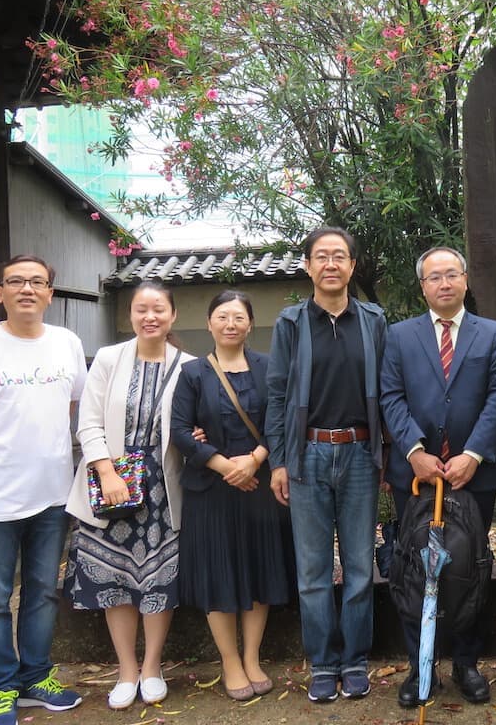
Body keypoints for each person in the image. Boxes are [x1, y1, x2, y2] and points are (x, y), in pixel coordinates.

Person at [0, 255, 87, 725]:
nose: (27, 289)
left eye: (37, 282)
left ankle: (36, 677)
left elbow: (73, 403)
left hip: (52, 492)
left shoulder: (67, 343)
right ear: (0, 292)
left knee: (43, 591)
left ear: (50, 293)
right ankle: (2, 688)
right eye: (16, 281)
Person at [380, 246, 496, 708]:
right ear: (423, 286)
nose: (444, 283)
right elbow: (390, 396)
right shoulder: (399, 336)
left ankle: (467, 663)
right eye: (434, 276)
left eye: (451, 274)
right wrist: (414, 451)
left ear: (465, 279)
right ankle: (422, 666)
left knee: (470, 569)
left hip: (473, 475)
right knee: (413, 568)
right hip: (416, 475)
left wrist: (473, 454)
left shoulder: (493, 333)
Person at [265, 226, 387, 703]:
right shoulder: (291, 323)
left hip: (360, 453)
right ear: (308, 265)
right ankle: (322, 662)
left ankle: (354, 660)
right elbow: (278, 395)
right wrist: (279, 460)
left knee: (359, 566)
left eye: (339, 256)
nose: (331, 264)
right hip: (307, 454)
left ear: (352, 266)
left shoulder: (373, 320)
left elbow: (388, 390)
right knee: (313, 570)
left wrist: (387, 455)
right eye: (321, 256)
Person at [65, 280, 193, 710]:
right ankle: (125, 670)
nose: (150, 317)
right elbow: (88, 422)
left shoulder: (189, 366)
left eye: (159, 309)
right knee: (115, 580)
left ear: (172, 315)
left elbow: (193, 422)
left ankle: (152, 667)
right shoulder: (108, 358)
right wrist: (106, 471)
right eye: (142, 309)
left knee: (159, 577)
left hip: (164, 489)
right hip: (112, 485)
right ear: (131, 315)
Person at [170, 290, 296, 700]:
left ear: (250, 324)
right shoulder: (192, 373)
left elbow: (280, 419)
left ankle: (253, 657)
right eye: (222, 316)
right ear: (209, 323)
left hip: (259, 486)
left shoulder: (268, 367)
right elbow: (179, 430)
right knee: (219, 574)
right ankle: (229, 661)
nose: (230, 324)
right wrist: (226, 467)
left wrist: (255, 460)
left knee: (259, 570)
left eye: (238, 317)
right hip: (212, 489)